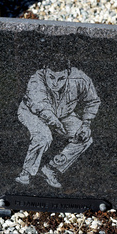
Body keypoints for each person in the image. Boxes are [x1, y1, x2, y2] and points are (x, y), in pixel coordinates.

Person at [16, 60, 100, 188]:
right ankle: (25, 173)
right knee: (44, 137)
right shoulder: (36, 80)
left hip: (63, 115)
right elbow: (40, 105)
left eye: (61, 78)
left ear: (68, 73)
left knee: (84, 137)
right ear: (45, 71)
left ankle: (51, 169)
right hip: (32, 113)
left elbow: (93, 101)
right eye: (51, 77)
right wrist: (56, 124)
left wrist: (86, 124)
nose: (55, 83)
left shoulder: (80, 79)